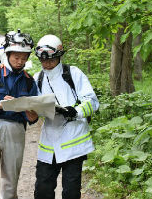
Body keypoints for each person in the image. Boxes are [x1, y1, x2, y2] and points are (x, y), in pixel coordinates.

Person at [33, 35, 99, 199]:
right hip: (49, 142)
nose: (46, 64)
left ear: (59, 56)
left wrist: (75, 111)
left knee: (71, 191)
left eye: (50, 60)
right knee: (42, 189)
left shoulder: (73, 73)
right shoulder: (37, 78)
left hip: (73, 142)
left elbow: (92, 101)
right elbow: (34, 104)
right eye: (43, 61)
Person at [0, 30, 39, 199]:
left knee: (10, 179)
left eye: (24, 58)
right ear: (7, 54)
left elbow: (33, 116)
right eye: (16, 57)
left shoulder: (29, 81)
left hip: (15, 130)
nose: (20, 62)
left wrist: (31, 115)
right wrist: (1, 104)